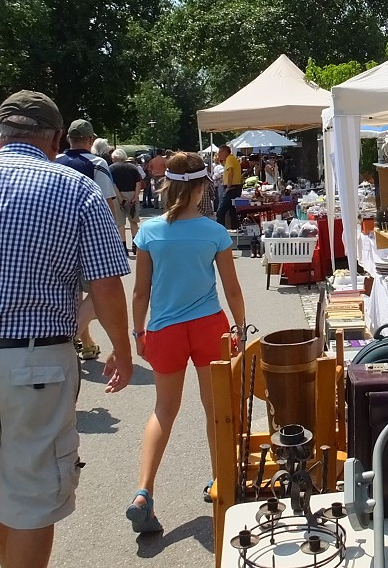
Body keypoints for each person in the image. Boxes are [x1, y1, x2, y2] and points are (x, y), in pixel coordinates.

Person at [0, 90, 132, 568]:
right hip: (35, 359)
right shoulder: (75, 188)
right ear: (56, 138)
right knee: (34, 493)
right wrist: (122, 349)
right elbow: (106, 285)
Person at [126, 152, 246, 534]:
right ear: (200, 187)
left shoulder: (149, 231)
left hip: (165, 328)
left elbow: (140, 292)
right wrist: (241, 328)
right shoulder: (213, 231)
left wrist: (137, 333)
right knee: (216, 410)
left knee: (163, 410)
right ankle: (219, 482)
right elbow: (231, 288)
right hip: (209, 325)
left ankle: (144, 490)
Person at [57, 119, 117, 362]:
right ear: (91, 140)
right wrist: (112, 232)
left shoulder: (55, 161)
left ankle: (87, 343)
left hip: (58, 235)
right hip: (88, 235)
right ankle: (72, 334)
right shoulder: (97, 162)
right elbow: (106, 200)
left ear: (68, 138)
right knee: (98, 289)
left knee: (73, 293)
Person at [110, 148, 144, 254]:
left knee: (120, 223)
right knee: (133, 221)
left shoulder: (111, 168)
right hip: (132, 193)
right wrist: (135, 196)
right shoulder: (133, 168)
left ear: (114, 157)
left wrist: (120, 198)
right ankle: (135, 245)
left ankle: (123, 247)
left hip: (118, 195)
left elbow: (113, 185)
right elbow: (138, 183)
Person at [215, 144, 243, 230]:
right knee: (232, 210)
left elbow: (231, 171)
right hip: (235, 187)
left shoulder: (230, 159)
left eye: (220, 152)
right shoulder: (230, 159)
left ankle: (220, 231)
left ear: (225, 152)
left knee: (220, 211)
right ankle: (235, 228)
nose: (218, 155)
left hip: (232, 188)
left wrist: (228, 186)